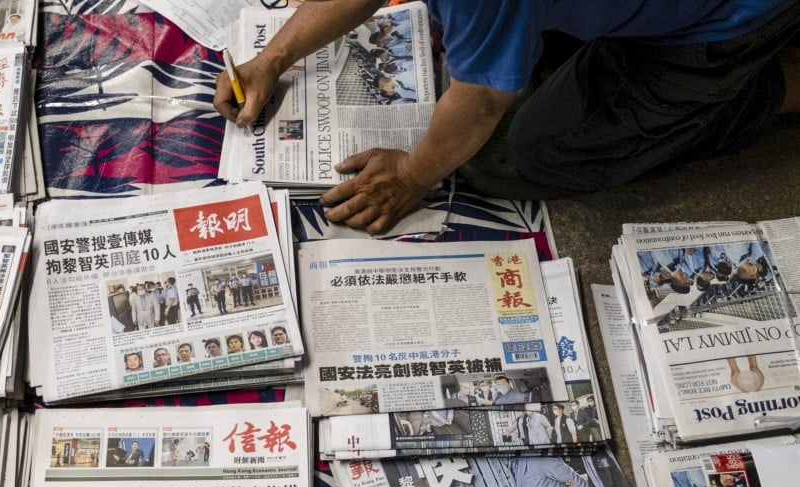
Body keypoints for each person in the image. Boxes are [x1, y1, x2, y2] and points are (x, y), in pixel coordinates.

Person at [215, 0, 800, 235]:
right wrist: (274, 57)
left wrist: (412, 175)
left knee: (513, 154)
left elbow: (481, 104)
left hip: (725, 17)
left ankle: (776, 81)